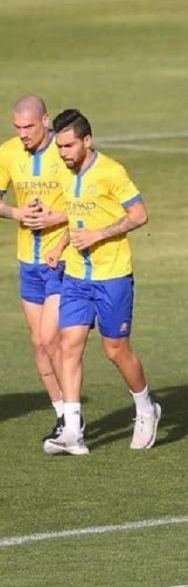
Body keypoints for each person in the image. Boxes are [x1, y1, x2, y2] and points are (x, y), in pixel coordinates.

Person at [42, 109, 159, 455]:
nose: (63, 153)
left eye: (68, 146)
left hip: (112, 276)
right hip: (76, 276)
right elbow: (77, 214)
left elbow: (140, 215)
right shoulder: (66, 172)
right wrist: (60, 246)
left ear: (87, 141)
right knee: (69, 344)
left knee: (115, 350)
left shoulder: (111, 172)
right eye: (59, 146)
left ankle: (146, 408)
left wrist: (98, 235)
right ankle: (73, 431)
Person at [0, 95, 70, 440]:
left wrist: (55, 219)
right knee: (39, 343)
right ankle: (63, 414)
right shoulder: (8, 152)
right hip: (28, 260)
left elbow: (89, 202)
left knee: (50, 337)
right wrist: (17, 213)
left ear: (45, 120)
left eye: (28, 126)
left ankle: (74, 417)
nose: (23, 133)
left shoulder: (66, 150)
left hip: (62, 258)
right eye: (17, 127)